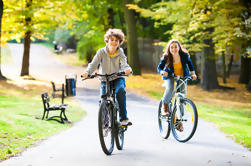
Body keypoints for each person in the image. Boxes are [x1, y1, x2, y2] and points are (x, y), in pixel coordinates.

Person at [81, 29, 132, 126]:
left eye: (116, 40)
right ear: (107, 41)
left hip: (117, 77)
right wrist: (87, 72)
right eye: (112, 40)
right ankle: (104, 124)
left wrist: (127, 70)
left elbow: (125, 64)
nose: (114, 42)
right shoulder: (101, 52)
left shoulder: (120, 52)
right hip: (104, 79)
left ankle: (123, 118)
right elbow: (93, 64)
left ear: (119, 42)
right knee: (103, 99)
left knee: (120, 91)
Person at [157, 39, 197, 131]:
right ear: (169, 48)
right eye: (172, 47)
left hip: (182, 77)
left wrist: (193, 73)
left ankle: (179, 121)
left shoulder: (184, 55)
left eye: (175, 47)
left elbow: (190, 64)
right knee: (170, 89)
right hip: (170, 76)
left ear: (179, 47)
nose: (174, 49)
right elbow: (159, 67)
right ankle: (165, 107)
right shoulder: (166, 56)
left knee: (181, 97)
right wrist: (162, 72)